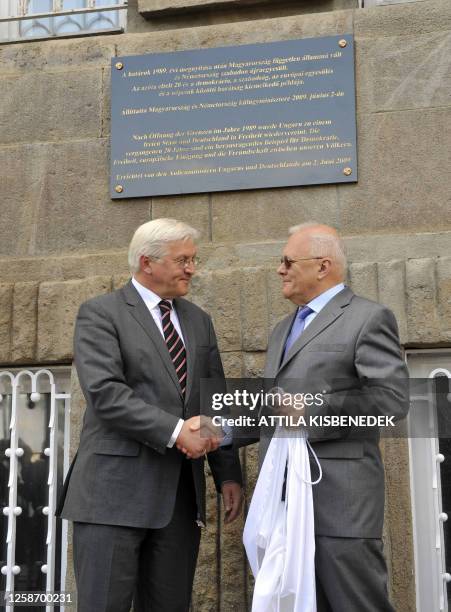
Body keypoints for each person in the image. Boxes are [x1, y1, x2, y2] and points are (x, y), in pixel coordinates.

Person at [57, 218, 243, 612]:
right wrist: (178, 431)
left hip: (178, 499)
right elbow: (106, 395)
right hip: (111, 498)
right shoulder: (100, 314)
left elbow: (215, 401)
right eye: (183, 260)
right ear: (147, 262)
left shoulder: (198, 320)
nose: (192, 268)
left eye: (193, 259)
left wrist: (227, 473)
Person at [256, 222, 409, 612]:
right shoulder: (281, 330)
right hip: (284, 505)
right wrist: (218, 431)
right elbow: (275, 411)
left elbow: (390, 401)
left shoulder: (368, 318)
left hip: (340, 506)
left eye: (288, 260)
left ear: (322, 266)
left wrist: (312, 411)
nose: (280, 269)